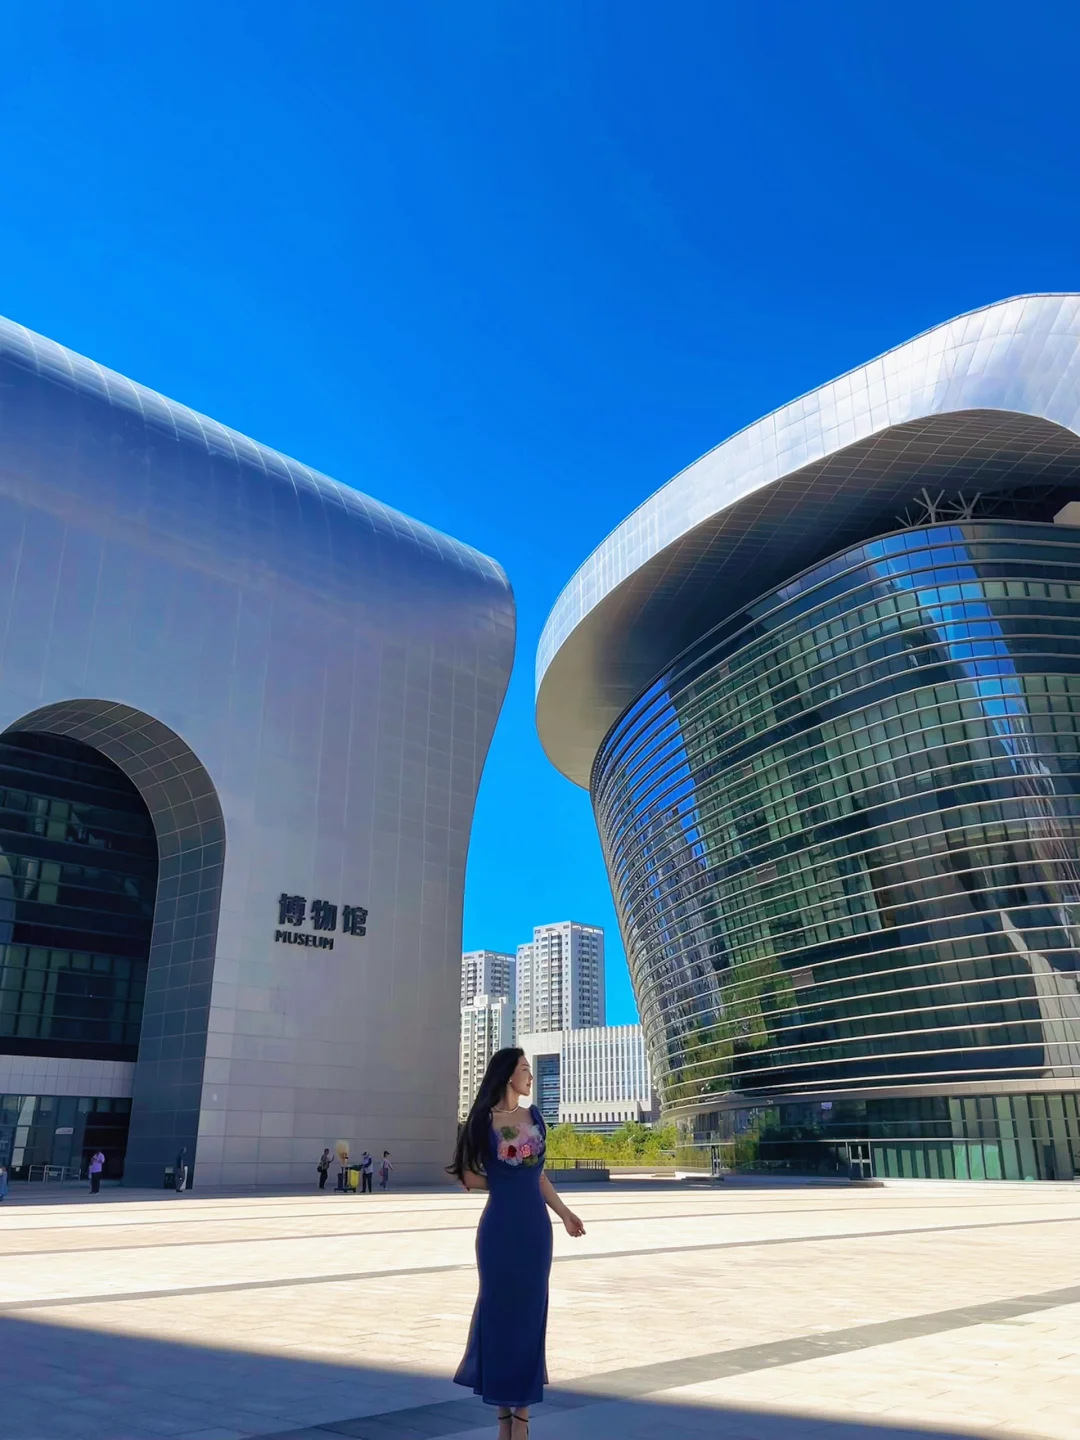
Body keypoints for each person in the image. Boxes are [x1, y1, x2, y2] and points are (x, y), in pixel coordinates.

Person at [449, 1046, 585, 1440]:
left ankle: (521, 1419)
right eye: (525, 1069)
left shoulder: (535, 1117)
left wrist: (565, 1214)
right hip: (499, 1230)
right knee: (499, 1316)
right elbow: (466, 1176)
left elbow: (539, 1176)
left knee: (529, 1316)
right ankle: (504, 1420)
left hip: (534, 1230)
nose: (530, 1076)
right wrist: (506, 1183)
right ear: (509, 1074)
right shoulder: (482, 1121)